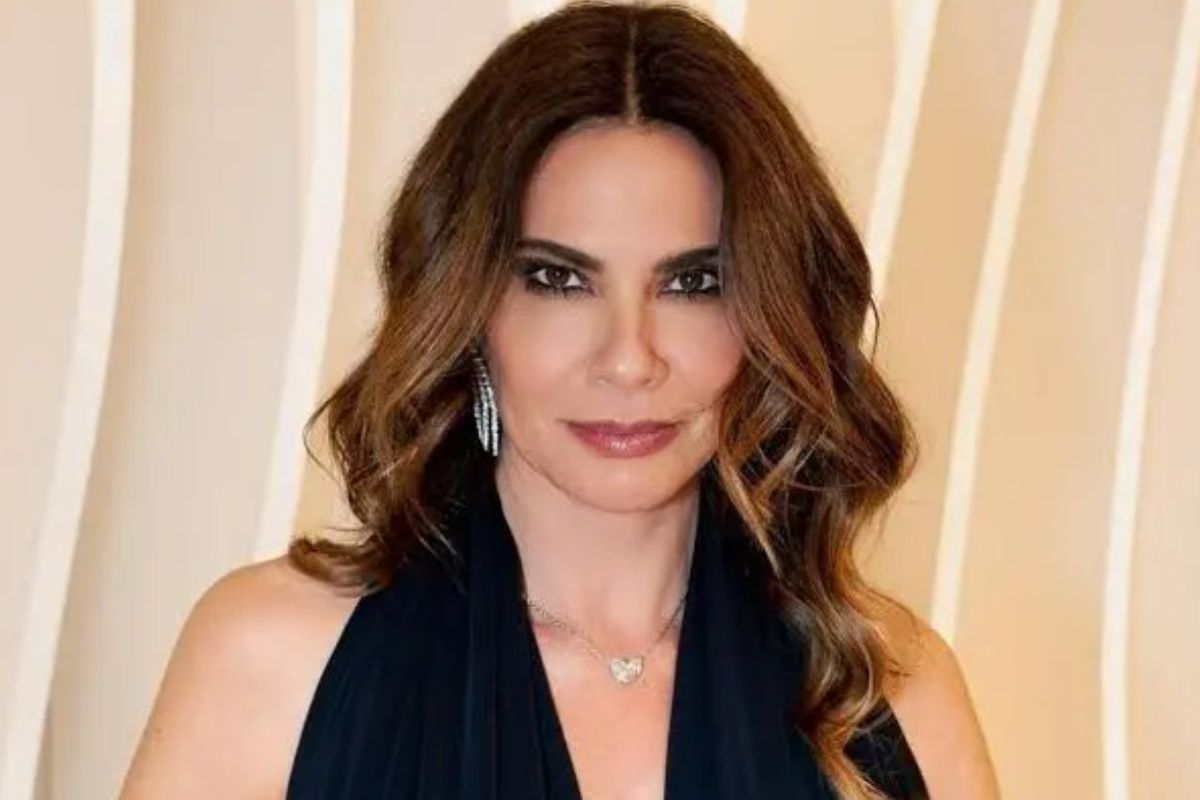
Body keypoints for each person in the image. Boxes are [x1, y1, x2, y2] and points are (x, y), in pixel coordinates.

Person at [120, 2, 1000, 798]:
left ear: (771, 315)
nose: (629, 359)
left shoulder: (888, 694)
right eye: (558, 280)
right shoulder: (273, 662)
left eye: (694, 283)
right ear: (470, 311)